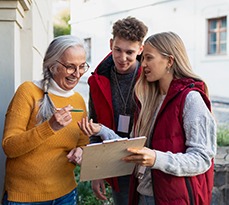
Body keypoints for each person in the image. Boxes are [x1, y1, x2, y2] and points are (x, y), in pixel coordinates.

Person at [78, 31, 217, 205]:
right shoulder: (147, 99)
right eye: (143, 58)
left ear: (170, 61)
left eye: (148, 58)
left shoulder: (191, 99)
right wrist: (102, 130)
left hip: (174, 198)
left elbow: (202, 159)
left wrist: (156, 159)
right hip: (143, 195)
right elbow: (133, 147)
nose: (142, 64)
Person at [1, 35, 89, 205]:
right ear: (52, 65)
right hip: (25, 197)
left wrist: (81, 152)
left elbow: (83, 142)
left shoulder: (78, 100)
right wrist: (49, 127)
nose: (77, 74)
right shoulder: (28, 92)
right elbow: (9, 146)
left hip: (66, 194)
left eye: (82, 67)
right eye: (70, 67)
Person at [87, 16, 148, 205]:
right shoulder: (98, 80)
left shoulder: (150, 77)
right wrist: (97, 172)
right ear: (111, 43)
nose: (122, 58)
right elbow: (94, 125)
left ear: (140, 49)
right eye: (118, 50)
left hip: (148, 161)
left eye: (130, 52)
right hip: (117, 162)